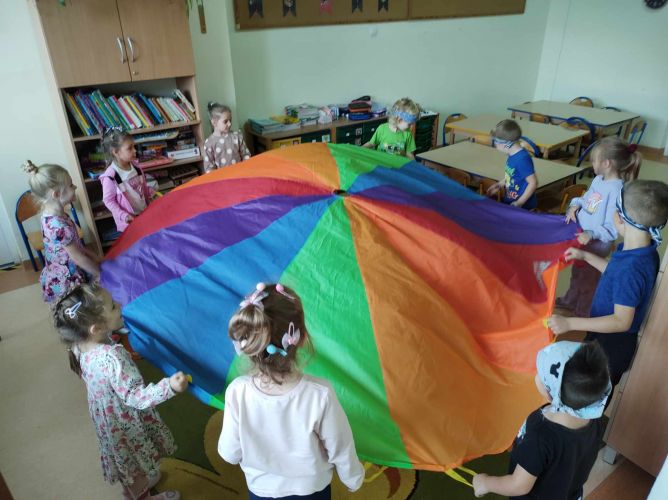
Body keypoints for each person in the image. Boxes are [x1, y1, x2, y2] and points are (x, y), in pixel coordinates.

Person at [218, 282, 364, 499]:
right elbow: (341, 447)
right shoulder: (320, 394)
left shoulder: (237, 392)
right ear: (301, 337)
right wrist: (354, 479)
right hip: (312, 491)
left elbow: (229, 453)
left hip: (261, 491)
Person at [53, 283, 188, 500]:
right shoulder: (111, 357)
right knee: (133, 463)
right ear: (96, 328)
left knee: (126, 461)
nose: (120, 305)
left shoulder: (79, 347)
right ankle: (142, 496)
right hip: (124, 422)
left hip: (108, 421)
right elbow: (136, 397)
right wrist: (170, 386)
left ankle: (134, 488)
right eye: (114, 306)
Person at [549, 180, 668, 392]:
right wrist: (586, 256)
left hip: (610, 346)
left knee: (588, 396)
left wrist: (570, 323)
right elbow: (615, 274)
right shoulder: (643, 251)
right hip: (605, 337)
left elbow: (621, 321)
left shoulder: (631, 268)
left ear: (619, 218)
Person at [472, 341, 611, 499]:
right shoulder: (595, 420)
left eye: (540, 373)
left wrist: (486, 483)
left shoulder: (541, 437)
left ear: (550, 391)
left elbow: (518, 485)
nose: (536, 375)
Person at [557, 137, 641, 317]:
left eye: (594, 160)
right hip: (582, 239)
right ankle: (570, 300)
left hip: (596, 244)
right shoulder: (598, 180)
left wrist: (591, 232)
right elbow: (586, 200)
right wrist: (575, 205)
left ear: (607, 163)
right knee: (577, 273)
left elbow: (612, 228)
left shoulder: (616, 191)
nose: (591, 164)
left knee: (588, 280)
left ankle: (583, 311)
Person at [22, 160, 100, 303]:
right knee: (80, 306)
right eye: (71, 185)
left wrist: (92, 256)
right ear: (57, 194)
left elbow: (75, 246)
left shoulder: (51, 214)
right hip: (68, 278)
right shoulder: (58, 227)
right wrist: (99, 273)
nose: (75, 187)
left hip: (63, 266)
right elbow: (77, 258)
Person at [100, 127, 155, 232]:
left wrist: (149, 192)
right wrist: (123, 216)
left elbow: (140, 188)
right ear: (116, 152)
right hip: (129, 224)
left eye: (134, 146)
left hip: (144, 215)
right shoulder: (110, 177)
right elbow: (108, 201)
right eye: (130, 148)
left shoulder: (136, 167)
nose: (135, 150)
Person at [486, 119, 537, 210]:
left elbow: (533, 183)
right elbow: (511, 175)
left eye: (496, 143)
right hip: (511, 199)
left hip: (523, 207)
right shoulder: (512, 154)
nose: (495, 146)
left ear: (507, 144)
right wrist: (500, 184)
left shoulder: (522, 159)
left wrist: (519, 202)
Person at [203, 102, 251, 173]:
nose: (230, 124)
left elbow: (246, 155)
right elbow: (209, 167)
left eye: (230, 120)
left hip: (240, 173)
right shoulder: (209, 143)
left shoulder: (236, 136)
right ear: (214, 123)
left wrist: (246, 169)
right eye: (225, 121)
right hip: (222, 177)